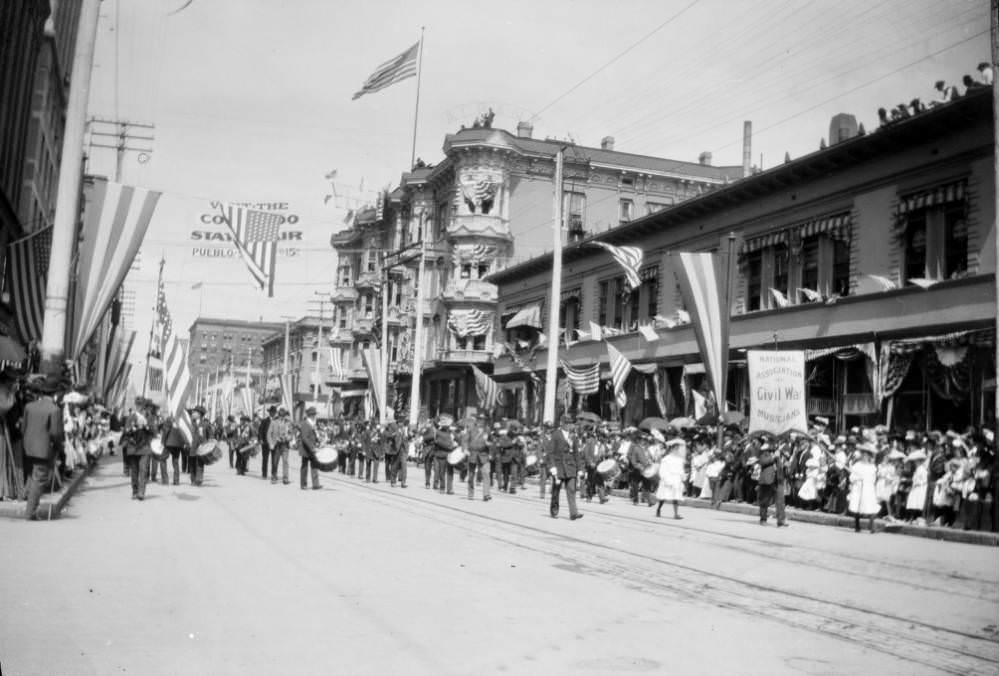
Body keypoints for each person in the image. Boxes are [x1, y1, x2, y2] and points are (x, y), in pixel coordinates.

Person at [21, 378, 64, 520]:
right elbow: (56, 433)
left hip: (28, 447)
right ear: (55, 394)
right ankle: (30, 512)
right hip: (43, 450)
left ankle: (25, 501)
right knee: (39, 479)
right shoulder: (54, 409)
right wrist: (58, 447)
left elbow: (23, 428)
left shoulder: (29, 406)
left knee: (31, 476)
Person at [548, 415, 582, 520]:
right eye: (566, 423)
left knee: (571, 489)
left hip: (571, 467)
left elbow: (576, 453)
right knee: (556, 490)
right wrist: (553, 467)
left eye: (570, 423)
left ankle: (573, 513)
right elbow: (551, 452)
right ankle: (554, 509)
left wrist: (580, 468)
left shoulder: (573, 436)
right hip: (559, 467)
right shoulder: (555, 435)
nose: (568, 425)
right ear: (561, 423)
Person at [122, 401, 155, 500]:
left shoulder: (148, 418)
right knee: (134, 471)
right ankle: (135, 491)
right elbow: (126, 431)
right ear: (136, 406)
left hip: (144, 447)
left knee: (143, 470)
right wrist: (135, 427)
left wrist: (146, 426)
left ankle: (141, 492)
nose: (141, 408)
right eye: (139, 406)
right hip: (133, 447)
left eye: (143, 407)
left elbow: (153, 431)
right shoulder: (131, 417)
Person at [849, 444, 879, 533]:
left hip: (868, 488)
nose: (864, 457)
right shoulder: (857, 465)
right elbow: (851, 477)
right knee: (857, 506)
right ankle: (857, 525)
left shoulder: (872, 467)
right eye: (863, 455)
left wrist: (868, 482)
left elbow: (873, 478)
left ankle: (872, 526)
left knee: (870, 506)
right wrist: (858, 479)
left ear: (869, 456)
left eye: (866, 455)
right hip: (858, 487)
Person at [756, 441, 787, 526]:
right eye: (772, 444)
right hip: (767, 480)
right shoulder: (764, 453)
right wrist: (774, 457)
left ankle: (781, 520)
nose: (774, 446)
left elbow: (780, 465)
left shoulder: (779, 454)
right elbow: (763, 462)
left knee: (780, 501)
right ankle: (763, 519)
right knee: (764, 501)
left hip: (778, 479)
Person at [655, 438, 686, 519]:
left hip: (676, 479)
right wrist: (666, 480)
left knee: (676, 497)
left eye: (677, 448)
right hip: (668, 479)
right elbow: (662, 470)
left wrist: (682, 478)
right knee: (664, 496)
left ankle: (676, 514)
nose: (676, 450)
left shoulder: (680, 459)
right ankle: (659, 509)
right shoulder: (666, 459)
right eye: (675, 448)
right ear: (671, 449)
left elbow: (681, 470)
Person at [466, 419, 491, 501]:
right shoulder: (471, 431)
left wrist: (489, 444)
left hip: (483, 455)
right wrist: (465, 449)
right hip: (472, 454)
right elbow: (465, 440)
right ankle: (470, 493)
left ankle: (486, 494)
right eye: (479, 423)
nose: (480, 425)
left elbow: (493, 442)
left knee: (486, 474)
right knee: (471, 475)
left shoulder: (487, 432)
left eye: (482, 424)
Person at [298, 406, 322, 490]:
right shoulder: (305, 424)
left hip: (312, 448)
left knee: (314, 466)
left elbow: (313, 436)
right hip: (306, 449)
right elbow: (305, 438)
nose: (315, 416)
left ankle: (315, 484)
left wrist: (318, 440)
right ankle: (303, 484)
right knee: (304, 466)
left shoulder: (312, 424)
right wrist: (312, 448)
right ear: (311, 415)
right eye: (315, 414)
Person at [267, 408, 292, 485]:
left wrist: (289, 437)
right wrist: (270, 443)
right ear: (279, 415)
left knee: (285, 461)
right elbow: (268, 434)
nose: (282, 417)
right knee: (275, 461)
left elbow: (291, 434)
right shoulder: (273, 422)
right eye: (281, 415)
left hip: (285, 445)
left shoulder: (288, 423)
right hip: (276, 445)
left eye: (283, 416)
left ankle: (285, 478)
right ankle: (274, 476)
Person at [187, 406, 207, 486]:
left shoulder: (205, 424)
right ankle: (193, 479)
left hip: (201, 447)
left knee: (200, 464)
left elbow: (210, 435)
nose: (193, 413)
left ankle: (199, 479)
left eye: (195, 412)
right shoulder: (190, 423)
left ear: (199, 414)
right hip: (192, 447)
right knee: (192, 464)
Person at [258, 405, 275, 480]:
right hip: (265, 442)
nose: (273, 413)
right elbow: (260, 431)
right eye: (272, 412)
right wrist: (261, 439)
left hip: (274, 443)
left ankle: (273, 474)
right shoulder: (265, 421)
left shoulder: (276, 421)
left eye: (274, 412)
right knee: (265, 459)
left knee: (274, 459)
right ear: (269, 412)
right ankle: (264, 474)